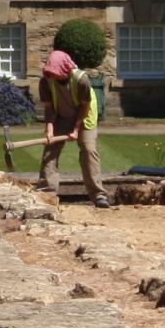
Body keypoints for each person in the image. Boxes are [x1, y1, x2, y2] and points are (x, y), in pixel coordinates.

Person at [36, 48, 111, 208]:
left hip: (84, 116)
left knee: (88, 149)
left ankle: (98, 195)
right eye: (50, 73)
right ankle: (46, 194)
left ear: (64, 69)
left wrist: (76, 130)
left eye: (55, 73)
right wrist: (49, 129)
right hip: (62, 115)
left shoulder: (81, 80)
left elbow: (85, 106)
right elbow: (49, 108)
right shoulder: (45, 81)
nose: (52, 76)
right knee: (50, 150)